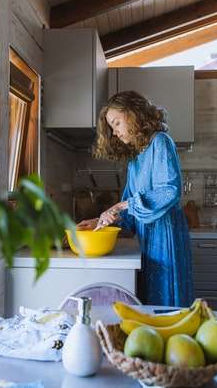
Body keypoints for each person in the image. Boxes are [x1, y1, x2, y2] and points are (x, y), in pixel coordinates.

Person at [77, 91, 193, 307]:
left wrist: (121, 204)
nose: (115, 132)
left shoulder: (161, 141)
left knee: (166, 302)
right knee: (149, 302)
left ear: (133, 114)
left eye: (117, 123)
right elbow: (130, 210)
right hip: (147, 238)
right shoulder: (136, 158)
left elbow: (169, 190)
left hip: (165, 236)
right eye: (112, 128)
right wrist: (100, 221)